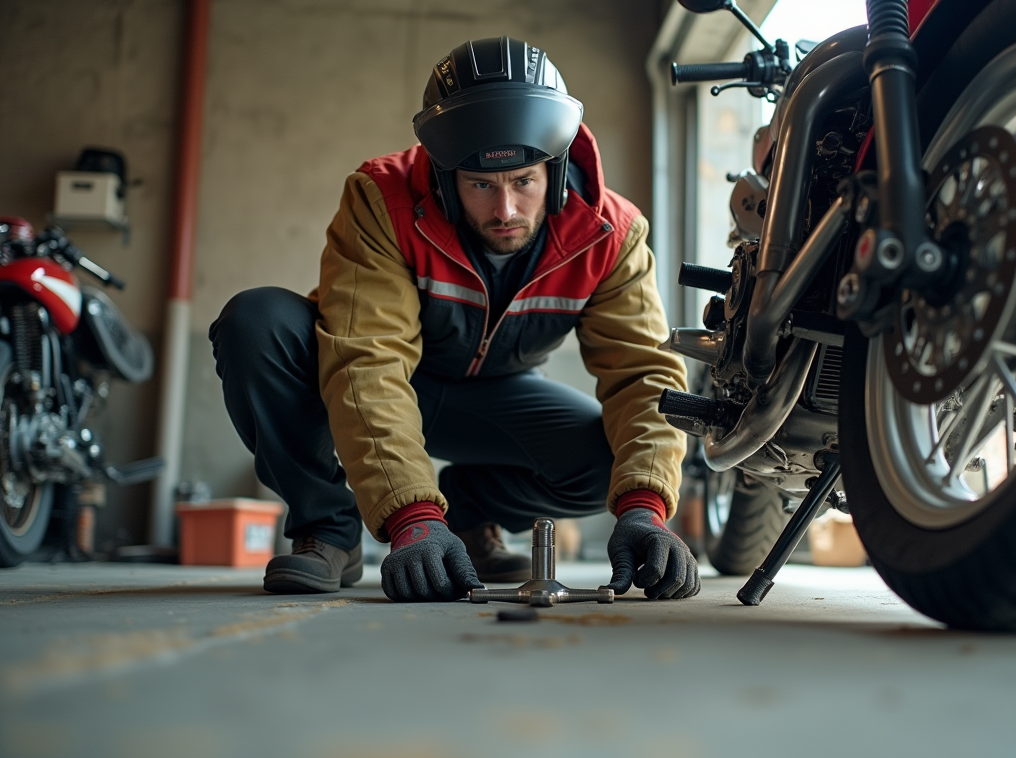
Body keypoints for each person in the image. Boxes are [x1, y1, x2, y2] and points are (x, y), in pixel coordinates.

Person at [210, 36, 699, 602]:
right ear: (445, 176)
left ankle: (469, 514)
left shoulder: (610, 234)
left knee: (607, 463)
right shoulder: (381, 199)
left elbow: (643, 375)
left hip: (490, 396)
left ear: (557, 168)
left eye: (524, 181)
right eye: (480, 185)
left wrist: (647, 508)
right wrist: (411, 517)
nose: (506, 210)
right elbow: (368, 357)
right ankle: (328, 529)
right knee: (256, 322)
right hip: (377, 380)